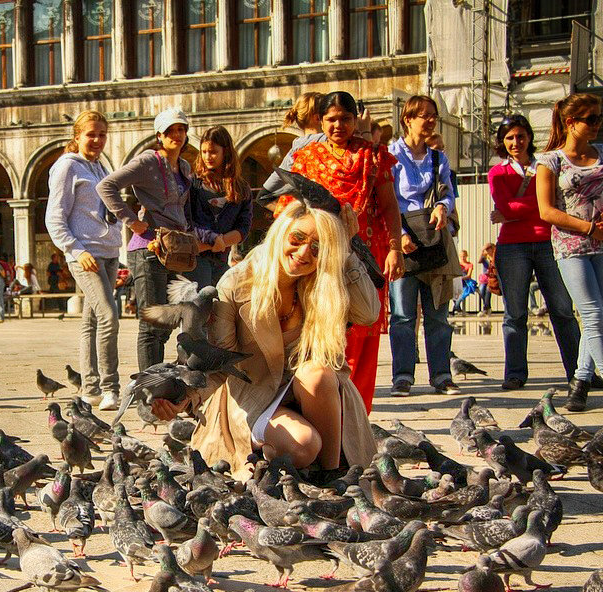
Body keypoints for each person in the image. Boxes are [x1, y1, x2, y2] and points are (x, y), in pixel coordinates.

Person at [153, 199, 379, 480]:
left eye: (319, 248)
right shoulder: (237, 283)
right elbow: (221, 361)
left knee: (318, 372)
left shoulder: (322, 281)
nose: (304, 252)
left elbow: (369, 314)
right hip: (253, 394)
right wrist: (185, 398)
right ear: (280, 233)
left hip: (314, 393)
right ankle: (273, 455)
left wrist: (345, 250)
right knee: (304, 446)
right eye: (297, 238)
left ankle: (332, 475)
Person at [287, 91, 403, 411]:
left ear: (356, 120)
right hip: (322, 258)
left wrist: (395, 248)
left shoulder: (373, 156)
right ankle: (327, 409)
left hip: (366, 256)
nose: (339, 125)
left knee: (364, 333)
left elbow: (390, 206)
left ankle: (358, 412)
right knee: (328, 331)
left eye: (346, 118)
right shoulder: (307, 159)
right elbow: (293, 208)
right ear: (320, 121)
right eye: (332, 119)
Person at [97, 106, 217, 370]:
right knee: (152, 324)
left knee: (168, 321)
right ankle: (148, 394)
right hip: (148, 249)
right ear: (159, 135)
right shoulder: (147, 161)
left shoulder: (184, 167)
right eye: (170, 130)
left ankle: (162, 382)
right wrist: (133, 222)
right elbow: (106, 186)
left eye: (181, 129)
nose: (177, 135)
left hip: (176, 250)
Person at [488, 114, 583, 391]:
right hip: (512, 246)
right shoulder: (498, 172)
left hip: (549, 242)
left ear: (529, 136)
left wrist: (519, 209)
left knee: (563, 310)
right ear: (502, 142)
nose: (515, 142)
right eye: (509, 138)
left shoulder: (547, 165)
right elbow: (506, 205)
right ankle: (515, 374)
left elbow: (552, 202)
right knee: (515, 313)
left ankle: (578, 373)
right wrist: (536, 207)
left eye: (520, 136)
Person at [46, 110, 123, 408]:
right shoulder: (67, 167)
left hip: (109, 253)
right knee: (108, 316)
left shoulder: (100, 169)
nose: (97, 140)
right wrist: (77, 250)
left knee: (91, 321)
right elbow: (55, 218)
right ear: (77, 137)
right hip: (86, 254)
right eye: (91, 134)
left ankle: (89, 388)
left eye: (102, 134)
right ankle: (110, 388)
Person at [387, 95, 462, 397]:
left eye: (433, 115)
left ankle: (442, 375)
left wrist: (443, 206)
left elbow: (448, 192)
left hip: (433, 240)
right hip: (404, 241)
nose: (430, 120)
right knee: (403, 315)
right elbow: (388, 199)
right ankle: (402, 376)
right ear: (408, 119)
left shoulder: (437, 158)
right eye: (424, 115)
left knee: (438, 315)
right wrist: (399, 233)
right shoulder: (391, 156)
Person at [537, 92, 603, 411]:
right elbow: (546, 211)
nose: (596, 125)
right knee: (592, 313)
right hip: (571, 246)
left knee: (599, 314)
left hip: (602, 245)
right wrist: (589, 227)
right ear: (570, 122)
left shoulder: (602, 154)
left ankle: (580, 380)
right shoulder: (550, 161)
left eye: (599, 118)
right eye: (590, 119)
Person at [188, 125, 253, 287]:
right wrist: (213, 239)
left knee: (221, 308)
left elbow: (244, 227)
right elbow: (187, 221)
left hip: (223, 260)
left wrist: (221, 241)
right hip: (196, 260)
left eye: (213, 151)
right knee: (199, 307)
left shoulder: (241, 188)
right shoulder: (193, 184)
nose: (207, 157)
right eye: (204, 152)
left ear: (226, 152)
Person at [260, 92, 325, 197]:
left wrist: (291, 211)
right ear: (318, 118)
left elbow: (263, 196)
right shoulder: (328, 141)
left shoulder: (293, 153)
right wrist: (359, 129)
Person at [451, 249, 476, 314]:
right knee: (454, 294)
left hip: (466, 283)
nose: (463, 258)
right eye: (461, 256)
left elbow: (469, 276)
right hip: (458, 282)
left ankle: (455, 309)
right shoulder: (458, 264)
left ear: (466, 256)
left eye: (464, 256)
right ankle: (458, 309)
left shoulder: (469, 264)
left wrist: (460, 278)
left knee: (461, 296)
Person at [477, 243, 497, 315]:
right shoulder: (485, 258)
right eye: (486, 249)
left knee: (488, 291)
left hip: (491, 278)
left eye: (489, 249)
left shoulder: (495, 258)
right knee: (482, 291)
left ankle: (485, 308)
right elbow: (479, 261)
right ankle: (487, 307)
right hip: (485, 278)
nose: (487, 251)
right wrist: (482, 251)